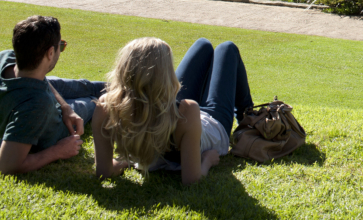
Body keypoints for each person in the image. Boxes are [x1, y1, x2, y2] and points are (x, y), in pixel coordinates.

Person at [93, 37, 254, 185]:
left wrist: (124, 161)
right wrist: (207, 160)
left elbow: (105, 172)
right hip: (211, 127)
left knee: (203, 44)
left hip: (168, 109)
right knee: (227, 48)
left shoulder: (106, 106)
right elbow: (192, 179)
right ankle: (250, 119)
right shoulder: (187, 110)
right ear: (164, 75)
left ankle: (249, 116)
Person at [0, 15, 106, 174]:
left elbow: (38, 80)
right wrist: (58, 151)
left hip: (48, 92)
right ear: (50, 52)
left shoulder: (2, 58)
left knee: (88, 86)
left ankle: (133, 85)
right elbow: (5, 167)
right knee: (95, 100)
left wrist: (65, 107)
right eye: (61, 46)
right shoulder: (36, 105)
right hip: (55, 124)